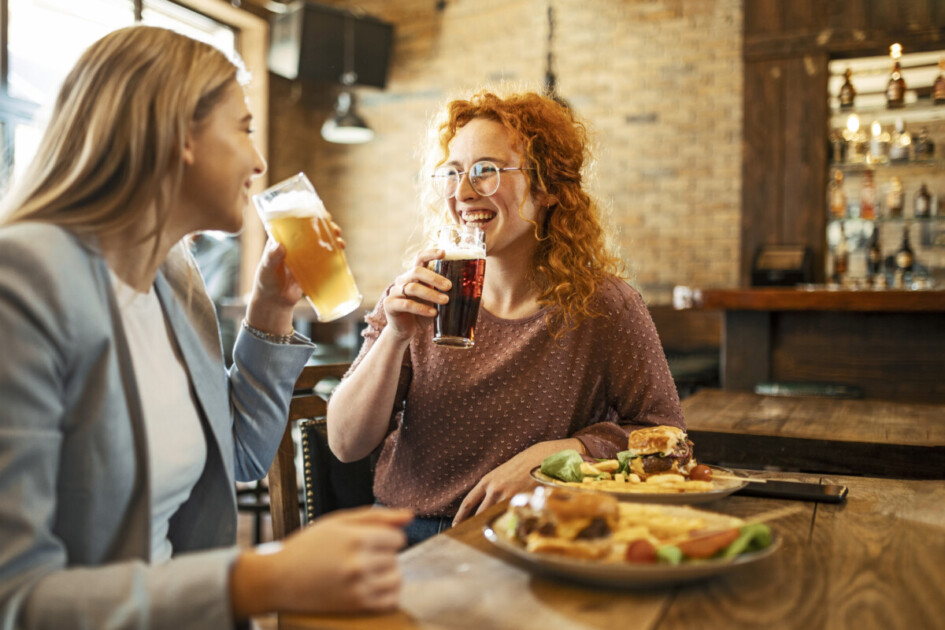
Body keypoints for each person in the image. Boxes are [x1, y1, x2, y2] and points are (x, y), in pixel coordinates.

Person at [0, 26, 411, 629]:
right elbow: (17, 599)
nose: (259, 160)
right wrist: (260, 577)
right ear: (178, 136)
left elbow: (241, 454)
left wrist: (271, 309)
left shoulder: (173, 273)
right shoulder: (26, 278)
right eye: (244, 128)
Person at [326, 89, 685, 546]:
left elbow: (667, 434)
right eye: (453, 173)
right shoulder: (418, 291)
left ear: (549, 187)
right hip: (404, 534)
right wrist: (394, 337)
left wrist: (557, 456)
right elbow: (344, 443)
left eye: (486, 172)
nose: (462, 193)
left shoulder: (606, 306)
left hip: (535, 536)